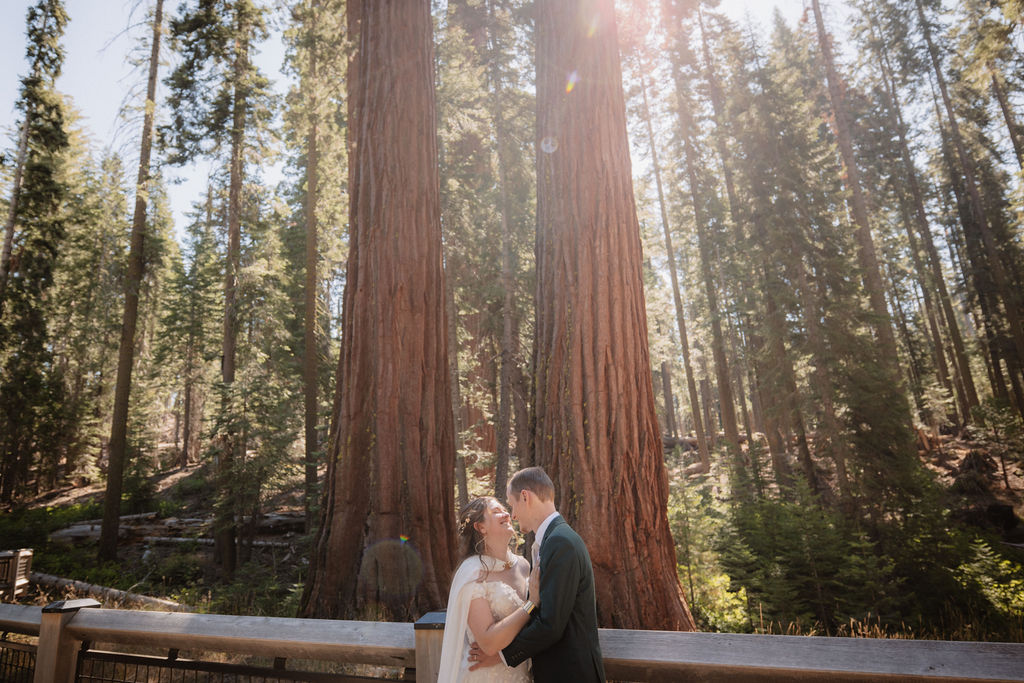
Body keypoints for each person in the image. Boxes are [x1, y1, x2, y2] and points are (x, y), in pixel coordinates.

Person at [469, 466, 606, 682]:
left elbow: (551, 625)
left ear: (525, 497)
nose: (512, 515)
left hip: (570, 673)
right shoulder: (550, 541)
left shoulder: (560, 542)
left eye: (513, 504)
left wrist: (501, 656)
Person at [437, 496, 540, 682]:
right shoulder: (473, 572)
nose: (507, 514)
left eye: (505, 509)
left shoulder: (524, 566)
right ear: (480, 527)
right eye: (496, 511)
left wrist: (505, 656)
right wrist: (531, 604)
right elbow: (488, 642)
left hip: (520, 672)